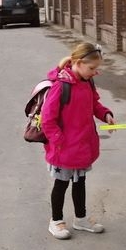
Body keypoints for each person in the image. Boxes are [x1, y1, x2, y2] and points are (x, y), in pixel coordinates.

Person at [41, 42, 115, 239]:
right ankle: (56, 221)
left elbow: (94, 104)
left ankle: (80, 219)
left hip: (82, 145)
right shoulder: (61, 85)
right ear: (79, 63)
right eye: (92, 68)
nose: (94, 72)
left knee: (80, 182)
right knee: (61, 184)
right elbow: (47, 119)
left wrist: (105, 114)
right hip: (64, 148)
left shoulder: (87, 82)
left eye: (96, 69)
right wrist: (59, 141)